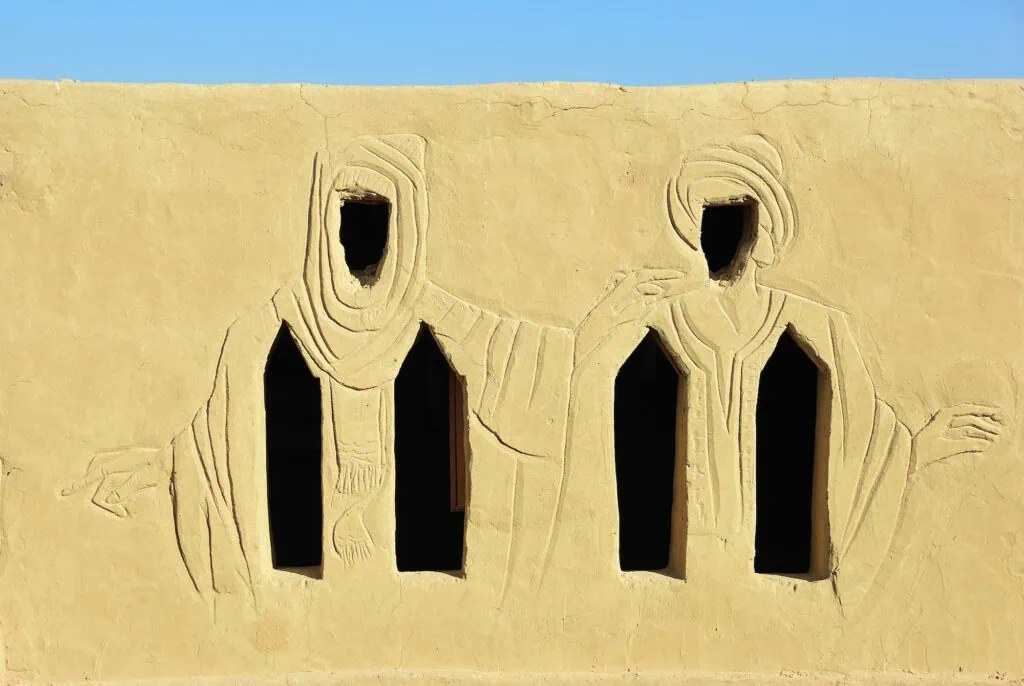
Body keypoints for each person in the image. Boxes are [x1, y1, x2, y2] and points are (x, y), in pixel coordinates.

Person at [655, 134, 1005, 607]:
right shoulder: (666, 314)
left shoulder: (820, 325)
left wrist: (919, 448)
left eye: (733, 220)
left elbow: (863, 426)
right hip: (696, 565)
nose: (718, 236)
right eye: (707, 221)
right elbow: (580, 382)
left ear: (761, 231)